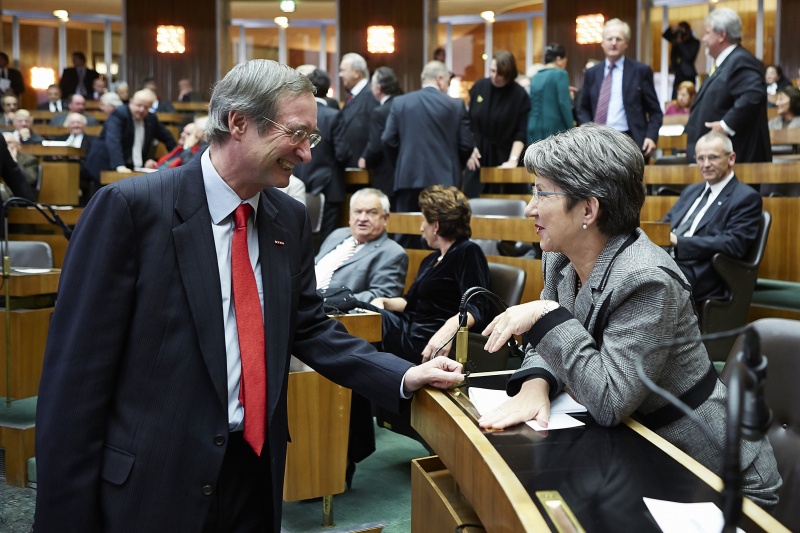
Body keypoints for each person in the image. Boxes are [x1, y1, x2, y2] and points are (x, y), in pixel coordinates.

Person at [33, 59, 464, 533]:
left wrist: (403, 373)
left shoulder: (289, 218)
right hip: (152, 486)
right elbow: (75, 380)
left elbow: (309, 326)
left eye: (312, 139)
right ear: (238, 122)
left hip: (254, 477)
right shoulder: (130, 211)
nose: (306, 155)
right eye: (296, 134)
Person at [477, 123, 781, 510]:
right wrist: (536, 382)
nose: (530, 207)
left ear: (588, 208)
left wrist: (544, 314)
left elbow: (608, 400)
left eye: (541, 192)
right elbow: (549, 341)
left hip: (712, 473)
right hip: (635, 445)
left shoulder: (646, 279)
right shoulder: (558, 255)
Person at [369, 185, 489, 364]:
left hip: (428, 340)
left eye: (423, 220)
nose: (420, 228)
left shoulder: (468, 251)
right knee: (362, 311)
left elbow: (477, 306)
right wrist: (383, 302)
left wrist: (448, 330)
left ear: (436, 226)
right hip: (410, 329)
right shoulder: (430, 259)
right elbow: (410, 302)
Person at [661, 132, 762, 303]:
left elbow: (733, 244)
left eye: (713, 158)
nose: (705, 164)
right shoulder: (691, 191)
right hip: (669, 260)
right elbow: (665, 224)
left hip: (703, 271)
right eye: (700, 158)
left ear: (731, 158)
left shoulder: (746, 197)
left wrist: (680, 242)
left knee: (653, 277)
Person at [382, 61, 475, 218]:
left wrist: (401, 163)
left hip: (408, 179)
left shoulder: (400, 103)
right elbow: (466, 145)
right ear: (439, 78)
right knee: (444, 233)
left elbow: (387, 139)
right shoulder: (455, 105)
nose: (447, 85)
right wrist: (453, 164)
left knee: (407, 233)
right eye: (447, 81)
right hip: (445, 182)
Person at [685, 8, 770, 163]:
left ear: (722, 35)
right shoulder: (727, 62)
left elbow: (753, 94)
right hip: (716, 159)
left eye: (707, 33)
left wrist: (725, 125)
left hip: (734, 158)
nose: (704, 39)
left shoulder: (740, 60)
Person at [577, 18, 662, 160]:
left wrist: (651, 136)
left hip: (631, 142)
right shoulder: (592, 73)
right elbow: (583, 109)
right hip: (597, 143)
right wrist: (588, 132)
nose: (614, 43)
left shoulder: (641, 71)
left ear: (626, 43)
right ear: (603, 43)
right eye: (609, 39)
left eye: (618, 39)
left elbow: (655, 112)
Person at [315, 187, 408, 302]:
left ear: (385, 218)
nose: (362, 218)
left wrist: (329, 300)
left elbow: (382, 296)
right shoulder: (337, 235)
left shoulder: (392, 253)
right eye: (358, 211)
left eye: (372, 212)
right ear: (350, 215)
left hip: (335, 314)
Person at [464, 50, 530, 198]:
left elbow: (521, 132)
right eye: (492, 71)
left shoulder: (519, 94)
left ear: (509, 73)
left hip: (505, 154)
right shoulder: (480, 86)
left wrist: (512, 161)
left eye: (500, 73)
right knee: (471, 200)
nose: (495, 76)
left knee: (508, 203)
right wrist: (470, 148)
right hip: (478, 155)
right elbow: (467, 122)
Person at [292, 68, 347, 240]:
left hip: (298, 179)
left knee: (298, 232)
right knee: (326, 238)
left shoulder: (297, 115)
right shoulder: (334, 116)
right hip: (328, 186)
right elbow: (343, 153)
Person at [84, 88, 177, 183]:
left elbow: (167, 137)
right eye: (139, 105)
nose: (142, 110)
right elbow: (113, 140)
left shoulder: (151, 118)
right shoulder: (119, 113)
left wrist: (177, 157)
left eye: (146, 107)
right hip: (104, 164)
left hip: (130, 167)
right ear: (131, 101)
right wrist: (119, 166)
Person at [358, 66, 403, 205]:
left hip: (386, 174)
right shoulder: (404, 105)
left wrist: (365, 159)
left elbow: (376, 145)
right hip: (405, 172)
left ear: (378, 88)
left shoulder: (380, 111)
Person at [336, 53, 378, 167]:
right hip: (349, 165)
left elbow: (376, 132)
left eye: (343, 70)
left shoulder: (371, 96)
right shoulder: (352, 95)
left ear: (357, 73)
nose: (340, 75)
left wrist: (366, 157)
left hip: (363, 167)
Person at [528, 43, 573, 145]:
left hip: (533, 127)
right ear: (559, 59)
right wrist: (572, 129)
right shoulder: (560, 74)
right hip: (554, 129)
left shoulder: (535, 76)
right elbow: (563, 103)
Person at [662, 22, 700, 100]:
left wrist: (680, 43)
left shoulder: (694, 42)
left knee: (689, 97)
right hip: (678, 73)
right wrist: (672, 28)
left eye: (682, 30)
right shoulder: (676, 40)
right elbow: (665, 35)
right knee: (675, 97)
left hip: (688, 74)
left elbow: (689, 56)